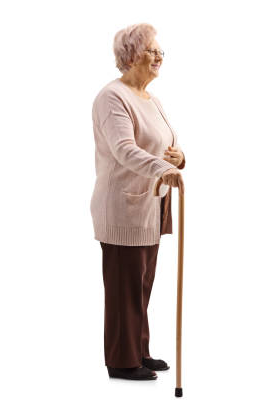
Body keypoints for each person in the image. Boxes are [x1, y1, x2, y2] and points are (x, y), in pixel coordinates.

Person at [91, 23, 185, 381]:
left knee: (141, 284)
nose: (159, 57)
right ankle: (121, 360)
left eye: (161, 51)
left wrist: (177, 158)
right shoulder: (112, 97)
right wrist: (163, 166)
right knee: (124, 287)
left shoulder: (151, 99)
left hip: (151, 202)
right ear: (131, 55)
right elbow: (124, 149)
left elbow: (163, 145)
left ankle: (139, 350)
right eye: (152, 51)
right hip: (123, 205)